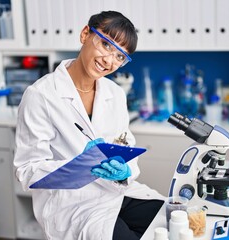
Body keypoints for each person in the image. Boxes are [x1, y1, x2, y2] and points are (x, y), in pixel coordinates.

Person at [14, 11, 164, 240]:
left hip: (114, 191)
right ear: (85, 34)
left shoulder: (115, 93)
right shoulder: (41, 95)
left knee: (171, 218)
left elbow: (126, 147)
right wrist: (77, 166)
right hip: (73, 205)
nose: (109, 60)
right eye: (105, 44)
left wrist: (124, 171)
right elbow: (26, 171)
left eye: (120, 56)